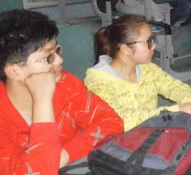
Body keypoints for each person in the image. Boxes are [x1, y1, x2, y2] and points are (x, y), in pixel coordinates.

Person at [0, 10, 124, 174]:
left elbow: (111, 122)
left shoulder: (65, 84)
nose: (59, 60)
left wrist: (66, 155)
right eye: (48, 57)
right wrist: (42, 100)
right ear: (14, 71)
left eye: (57, 51)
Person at [85, 15, 191, 131]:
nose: (154, 46)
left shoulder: (146, 68)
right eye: (149, 41)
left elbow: (177, 87)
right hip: (119, 140)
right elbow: (121, 120)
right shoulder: (98, 82)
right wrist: (173, 111)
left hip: (149, 134)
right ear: (126, 49)